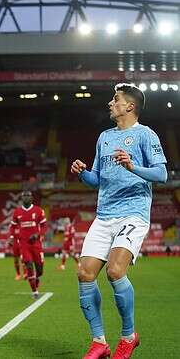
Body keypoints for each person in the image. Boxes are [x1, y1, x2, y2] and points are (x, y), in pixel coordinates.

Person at [71, 83, 167, 359]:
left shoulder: (145, 136)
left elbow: (161, 174)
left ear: (130, 106)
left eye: (116, 100)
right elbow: (97, 180)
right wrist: (82, 173)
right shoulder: (104, 137)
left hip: (133, 213)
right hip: (104, 215)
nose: (110, 104)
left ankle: (128, 335)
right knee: (85, 273)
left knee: (115, 271)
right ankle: (99, 341)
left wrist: (132, 166)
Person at [9, 191, 47, 299]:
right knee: (29, 266)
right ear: (21, 198)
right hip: (24, 245)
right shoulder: (17, 212)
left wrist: (38, 234)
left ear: (32, 198)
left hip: (36, 245)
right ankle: (34, 291)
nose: (26, 198)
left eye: (28, 196)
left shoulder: (38, 210)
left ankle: (37, 278)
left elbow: (44, 226)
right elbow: (12, 226)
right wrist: (12, 237)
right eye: (24, 196)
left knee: (39, 270)